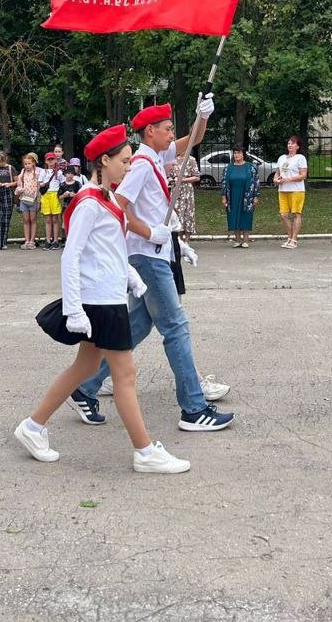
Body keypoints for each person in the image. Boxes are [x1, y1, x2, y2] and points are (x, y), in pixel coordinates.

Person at [15, 124, 190, 474]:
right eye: (124, 161)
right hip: (98, 303)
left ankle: (33, 427)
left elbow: (110, 250)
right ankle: (144, 451)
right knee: (125, 374)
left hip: (109, 297)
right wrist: (73, 308)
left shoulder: (108, 201)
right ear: (104, 161)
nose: (129, 166)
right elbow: (71, 255)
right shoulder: (88, 202)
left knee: (87, 367)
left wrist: (132, 278)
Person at [70, 97, 234, 434]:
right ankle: (193, 408)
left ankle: (85, 388)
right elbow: (119, 204)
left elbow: (194, 141)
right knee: (176, 327)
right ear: (151, 132)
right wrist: (151, 233)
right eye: (168, 128)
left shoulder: (155, 156)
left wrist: (202, 116)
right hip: (146, 255)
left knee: (137, 327)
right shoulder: (142, 163)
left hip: (156, 251)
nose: (172, 133)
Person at [221, 147, 261, 248]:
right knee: (233, 216)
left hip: (247, 196)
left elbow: (256, 182)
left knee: (246, 216)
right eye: (235, 153)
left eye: (239, 153)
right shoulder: (228, 168)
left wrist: (256, 196)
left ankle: (246, 240)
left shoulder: (250, 167)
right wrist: (223, 196)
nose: (236, 155)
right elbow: (224, 183)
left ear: (243, 154)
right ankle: (238, 240)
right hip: (232, 196)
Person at [273, 136, 308, 249]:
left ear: (297, 146)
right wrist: (276, 180)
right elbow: (277, 172)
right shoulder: (282, 158)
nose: (290, 145)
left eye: (292, 144)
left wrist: (288, 179)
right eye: (288, 143)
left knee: (296, 214)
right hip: (283, 190)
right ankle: (289, 237)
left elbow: (303, 175)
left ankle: (294, 239)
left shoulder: (300, 158)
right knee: (283, 215)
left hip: (296, 190)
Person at [167, 152, 199, 240]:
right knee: (177, 213)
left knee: (188, 213)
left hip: (187, 190)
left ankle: (187, 240)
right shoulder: (172, 160)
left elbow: (197, 177)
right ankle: (178, 239)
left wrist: (183, 180)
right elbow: (168, 175)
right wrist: (172, 180)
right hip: (175, 190)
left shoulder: (191, 159)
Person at [16, 152, 41, 249]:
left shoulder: (37, 174)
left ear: (33, 163)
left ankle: (32, 241)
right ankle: (26, 240)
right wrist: (19, 190)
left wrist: (39, 200)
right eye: (25, 164)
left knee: (33, 220)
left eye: (29, 163)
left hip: (33, 200)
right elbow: (19, 186)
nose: (27, 165)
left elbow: (38, 188)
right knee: (26, 220)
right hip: (24, 199)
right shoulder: (21, 173)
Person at [38, 153, 63, 248]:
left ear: (56, 160)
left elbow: (63, 183)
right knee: (48, 219)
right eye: (49, 160)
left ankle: (56, 240)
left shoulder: (59, 172)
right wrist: (42, 184)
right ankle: (48, 239)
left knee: (55, 219)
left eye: (52, 159)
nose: (51, 161)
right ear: (46, 161)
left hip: (54, 195)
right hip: (45, 195)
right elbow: (39, 183)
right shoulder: (43, 172)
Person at [58, 159, 84, 232]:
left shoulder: (77, 183)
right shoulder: (62, 184)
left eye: (71, 173)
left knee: (75, 222)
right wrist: (64, 195)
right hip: (65, 206)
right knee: (65, 222)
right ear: (65, 174)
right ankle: (65, 238)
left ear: (73, 174)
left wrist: (75, 195)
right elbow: (59, 197)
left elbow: (82, 195)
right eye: (68, 173)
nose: (70, 175)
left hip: (75, 206)